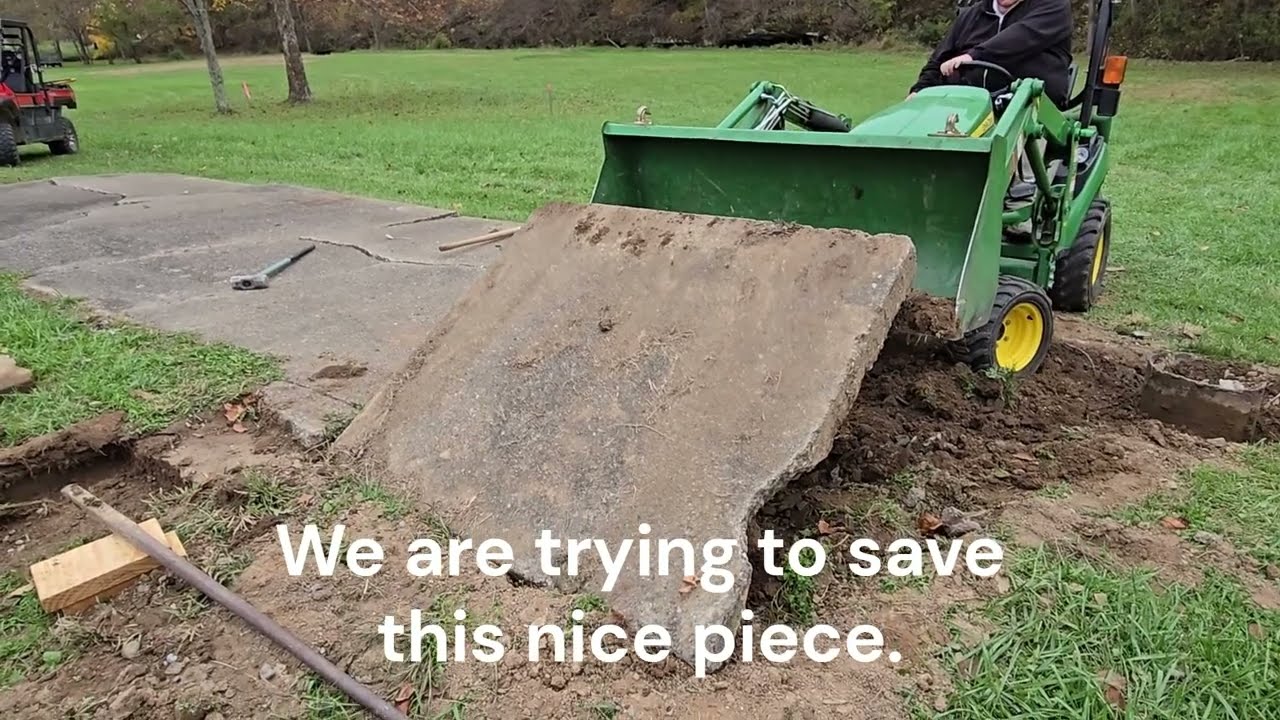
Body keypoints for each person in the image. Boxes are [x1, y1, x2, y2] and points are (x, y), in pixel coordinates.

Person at [907, 0, 1074, 108]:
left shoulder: (1054, 7)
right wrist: (920, 90)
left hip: (1030, 100)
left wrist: (973, 56)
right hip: (968, 101)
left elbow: (1020, 37)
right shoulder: (971, 15)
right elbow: (940, 58)